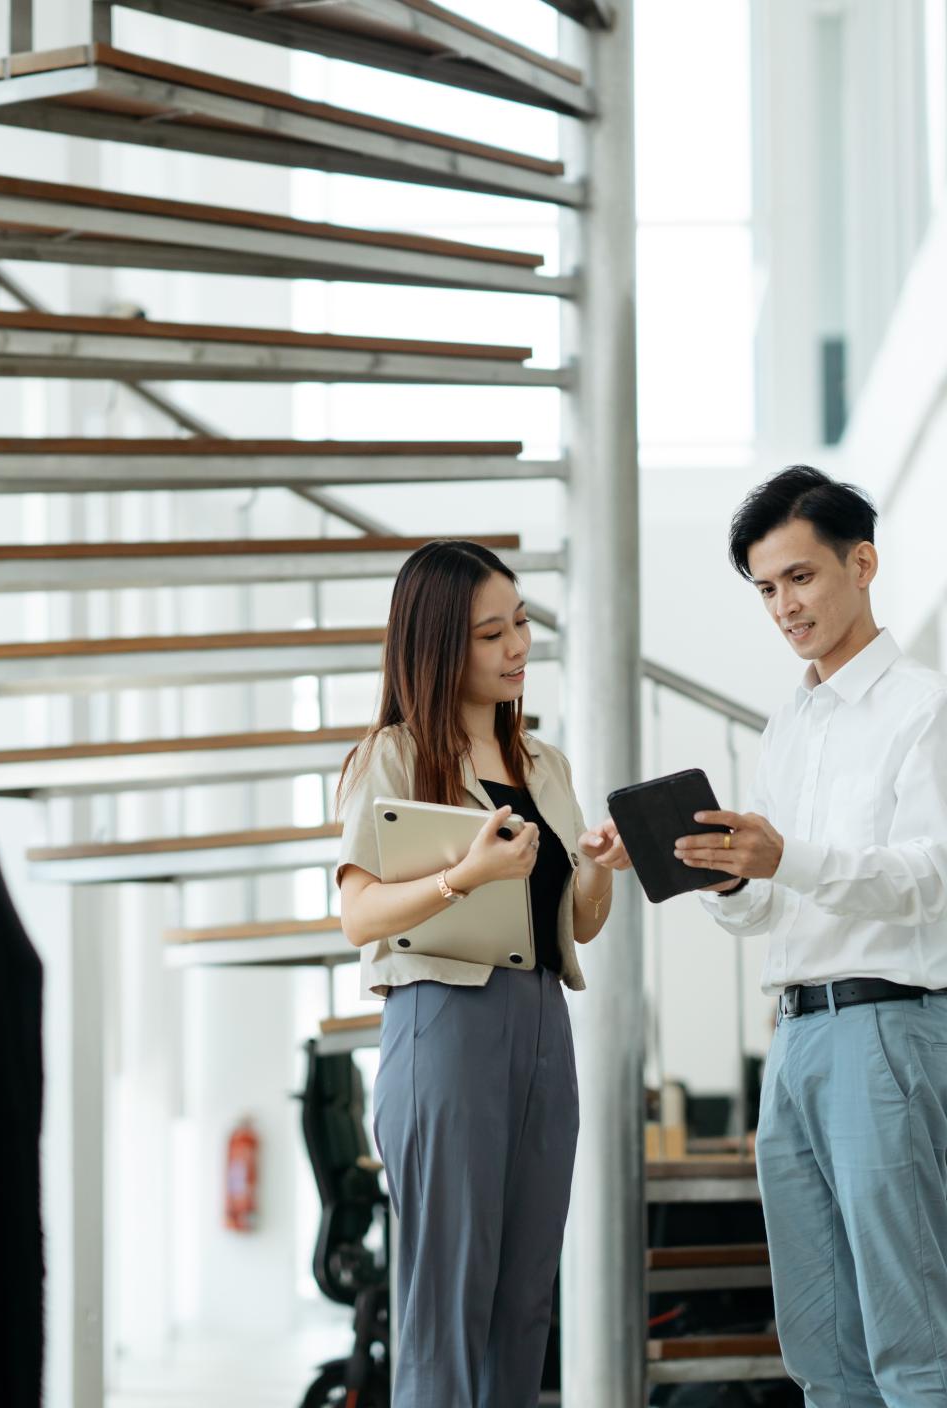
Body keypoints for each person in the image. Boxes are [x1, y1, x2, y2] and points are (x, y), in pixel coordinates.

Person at [592, 465, 947, 1404]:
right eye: (765, 589)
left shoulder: (927, 708)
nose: (784, 606)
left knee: (912, 1341)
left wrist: (788, 856)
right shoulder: (789, 723)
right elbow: (771, 908)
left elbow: (933, 881)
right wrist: (718, 871)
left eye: (800, 578)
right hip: (793, 1038)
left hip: (889, 1029)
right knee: (818, 1346)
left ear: (862, 563)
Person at [335, 539, 619, 1408]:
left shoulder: (548, 766)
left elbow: (579, 923)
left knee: (525, 1304)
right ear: (437, 647)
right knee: (445, 1304)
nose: (517, 647)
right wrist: (465, 875)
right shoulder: (391, 756)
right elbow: (358, 916)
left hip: (542, 1027)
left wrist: (602, 863)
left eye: (522, 622)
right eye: (489, 633)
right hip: (443, 1026)